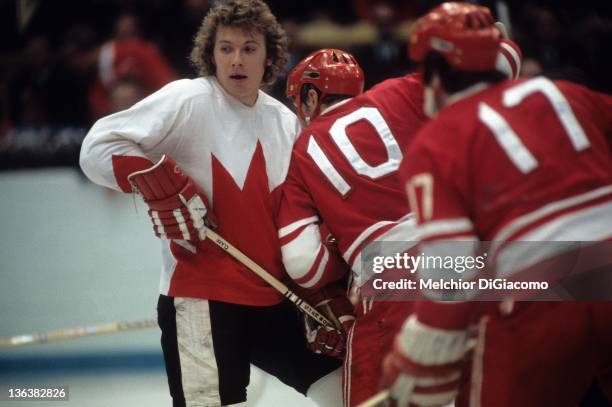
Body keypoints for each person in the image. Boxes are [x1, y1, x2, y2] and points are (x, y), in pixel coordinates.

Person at [79, 1, 341, 406]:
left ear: (269, 56)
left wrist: (322, 293)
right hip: (201, 301)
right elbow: (97, 146)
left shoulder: (284, 122)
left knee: (347, 388)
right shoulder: (188, 100)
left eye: (249, 49)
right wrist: (155, 184)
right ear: (211, 53)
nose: (237, 60)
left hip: (276, 299)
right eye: (226, 48)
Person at [382, 3, 612, 407]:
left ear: (433, 74)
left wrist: (420, 360)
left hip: (542, 297)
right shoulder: (561, 92)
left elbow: (452, 274)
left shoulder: (434, 143)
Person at [278, 41, 523, 406]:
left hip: (393, 282)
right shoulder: (401, 89)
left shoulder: (304, 150)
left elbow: (304, 266)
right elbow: (499, 61)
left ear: (310, 98)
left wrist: (340, 237)